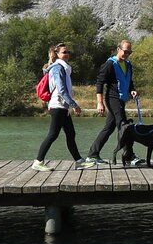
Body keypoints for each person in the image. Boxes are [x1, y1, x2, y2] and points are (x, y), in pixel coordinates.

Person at [80, 39, 136, 168]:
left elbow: (129, 82)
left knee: (109, 128)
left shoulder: (128, 65)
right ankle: (129, 156)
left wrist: (132, 90)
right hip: (112, 98)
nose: (127, 54)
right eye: (125, 51)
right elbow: (99, 83)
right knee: (123, 126)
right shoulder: (109, 64)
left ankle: (93, 154)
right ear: (118, 49)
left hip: (121, 99)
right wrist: (100, 103)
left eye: (129, 52)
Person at [30, 43, 82, 171]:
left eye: (68, 52)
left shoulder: (64, 68)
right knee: (53, 134)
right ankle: (38, 161)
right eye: (64, 52)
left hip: (62, 107)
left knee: (71, 133)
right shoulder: (58, 68)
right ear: (57, 54)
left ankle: (79, 161)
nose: (67, 54)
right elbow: (62, 90)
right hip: (58, 106)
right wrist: (74, 105)